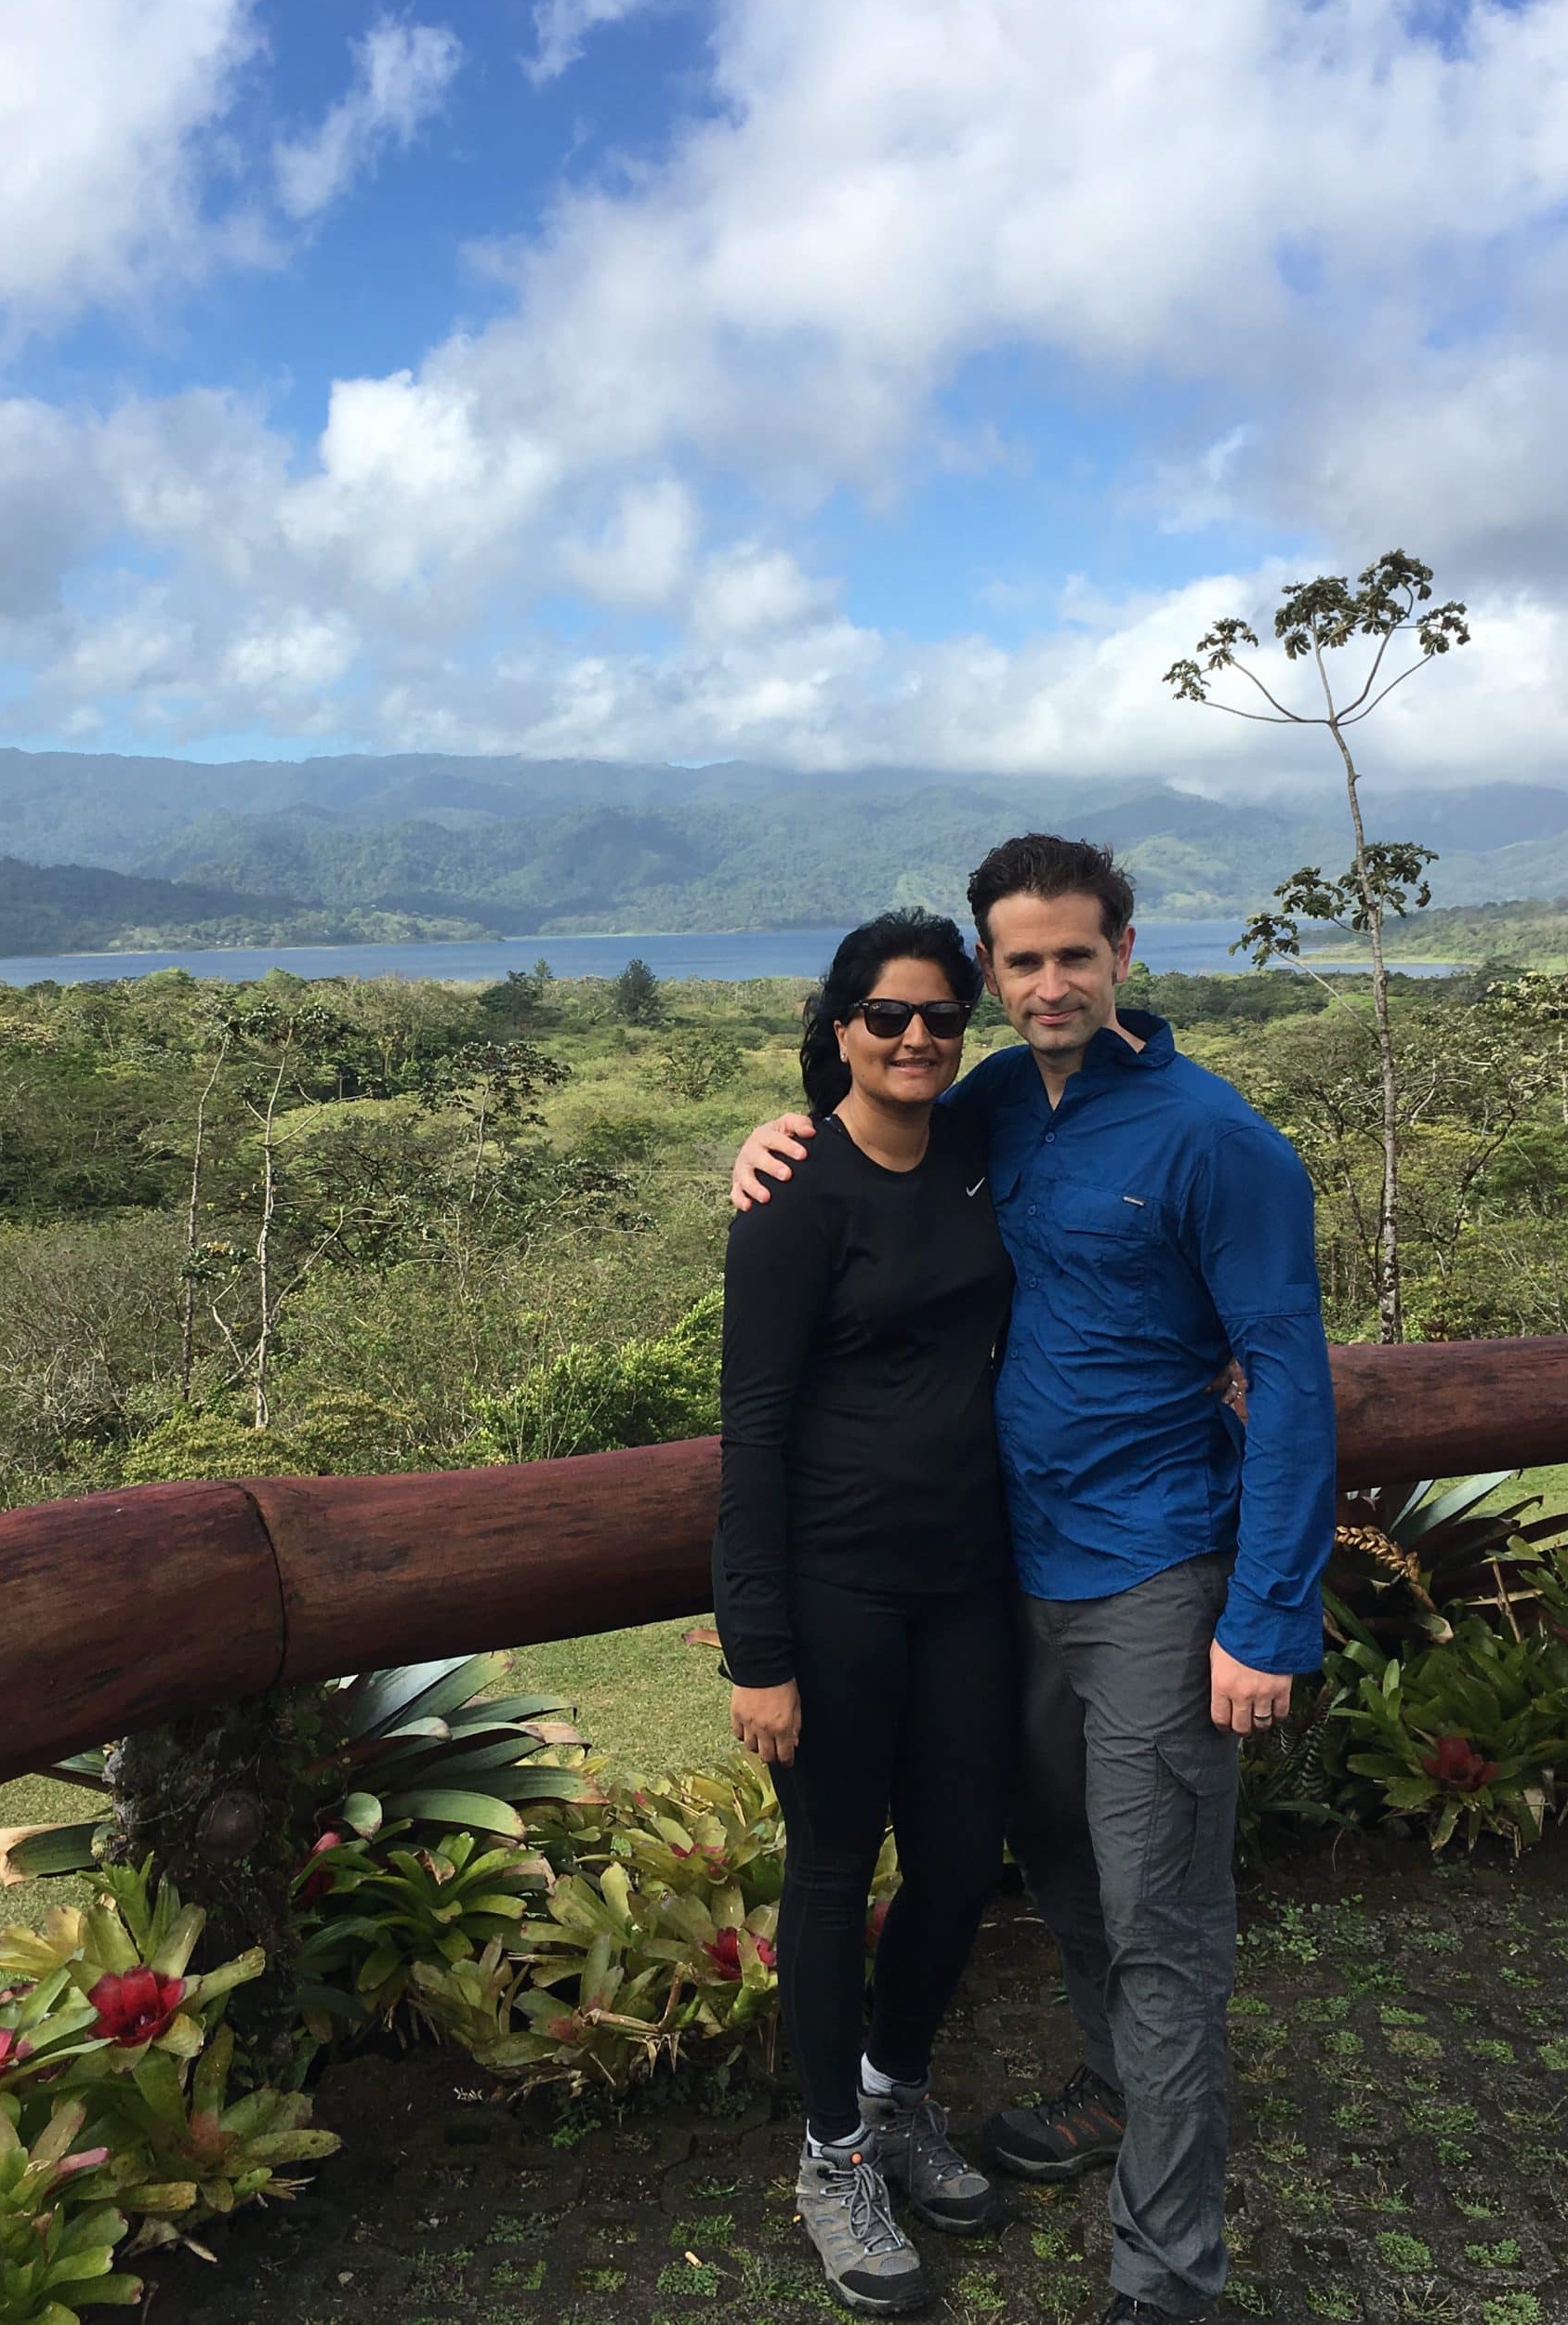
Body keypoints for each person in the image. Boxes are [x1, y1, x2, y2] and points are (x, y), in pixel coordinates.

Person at [731, 836, 1336, 2325]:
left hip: (1158, 1573)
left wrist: (1267, 1615)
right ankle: (1114, 2092)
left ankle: (1166, 2273)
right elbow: (864, 1139)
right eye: (1022, 962)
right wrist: (766, 1139)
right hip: (1012, 1572)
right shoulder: (999, 1102)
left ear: (1125, 950)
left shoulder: (1220, 1143)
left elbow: (1290, 1376)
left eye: (1076, 953)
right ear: (995, 975)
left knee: (1161, 1922)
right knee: (1059, 1860)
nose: (1048, 984)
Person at [718, 908, 1019, 2316]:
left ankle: (896, 2097)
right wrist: (758, 1651)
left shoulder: (976, 1148)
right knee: (834, 1872)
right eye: (887, 1015)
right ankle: (832, 2158)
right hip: (836, 1586)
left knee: (958, 1863)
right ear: (840, 1026)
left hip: (967, 1581)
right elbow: (752, 1433)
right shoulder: (794, 1196)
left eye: (941, 1017)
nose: (916, 1038)